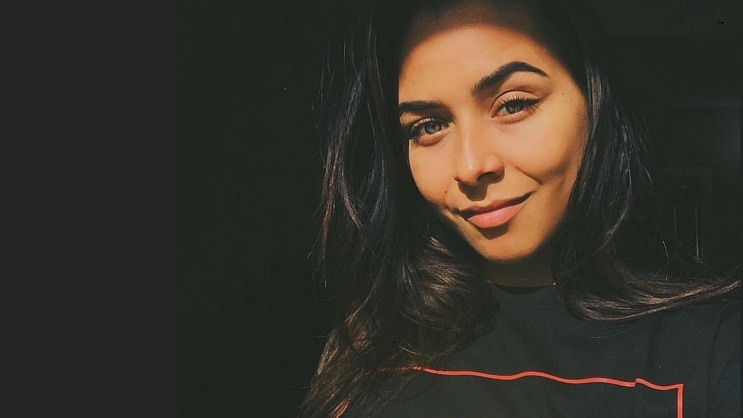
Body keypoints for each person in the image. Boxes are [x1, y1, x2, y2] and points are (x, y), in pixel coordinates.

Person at [300, 0, 741, 416]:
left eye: (513, 105)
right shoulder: (372, 342)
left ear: (596, 100)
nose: (471, 166)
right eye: (429, 126)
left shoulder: (714, 350)